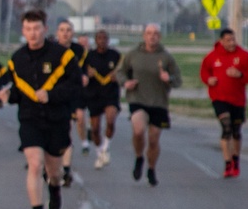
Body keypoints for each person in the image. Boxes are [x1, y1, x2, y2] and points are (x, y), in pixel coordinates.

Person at [6, 9, 81, 209]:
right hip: (30, 119)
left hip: (57, 119)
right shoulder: (17, 59)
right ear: (23, 31)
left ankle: (55, 188)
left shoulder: (63, 56)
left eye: (37, 28)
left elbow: (75, 86)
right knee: (35, 164)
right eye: (28, 29)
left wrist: (52, 95)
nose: (33, 33)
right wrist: (5, 96)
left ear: (45, 30)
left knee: (53, 170)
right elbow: (15, 92)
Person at [118, 23, 182, 187]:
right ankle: (139, 157)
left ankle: (151, 169)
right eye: (148, 33)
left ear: (159, 36)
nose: (152, 36)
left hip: (158, 102)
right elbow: (120, 72)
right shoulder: (133, 54)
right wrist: (126, 82)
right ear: (143, 36)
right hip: (137, 99)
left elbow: (178, 80)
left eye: (155, 33)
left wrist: (169, 79)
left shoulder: (166, 57)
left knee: (153, 140)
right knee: (138, 131)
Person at [199, 27, 248, 178]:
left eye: (233, 39)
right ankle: (227, 163)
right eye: (228, 40)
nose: (232, 43)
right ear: (221, 41)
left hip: (238, 100)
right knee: (226, 127)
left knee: (236, 131)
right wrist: (209, 80)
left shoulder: (243, 55)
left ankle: (236, 160)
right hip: (219, 98)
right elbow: (204, 71)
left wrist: (240, 74)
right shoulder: (213, 56)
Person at [54, 19, 87, 187]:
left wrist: (85, 76)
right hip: (53, 96)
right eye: (62, 30)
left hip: (72, 95)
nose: (65, 33)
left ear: (72, 33)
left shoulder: (79, 51)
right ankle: (51, 166)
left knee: (67, 130)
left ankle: (66, 170)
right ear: (57, 33)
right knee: (53, 135)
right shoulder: (51, 50)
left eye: (68, 30)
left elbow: (86, 68)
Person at [83, 28, 121, 169]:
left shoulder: (115, 55)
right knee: (95, 129)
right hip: (94, 94)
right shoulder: (89, 56)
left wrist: (118, 77)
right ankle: (100, 153)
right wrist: (87, 74)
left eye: (105, 38)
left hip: (110, 93)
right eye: (99, 38)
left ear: (108, 40)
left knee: (110, 120)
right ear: (95, 40)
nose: (102, 41)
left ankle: (106, 146)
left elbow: (124, 71)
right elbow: (82, 72)